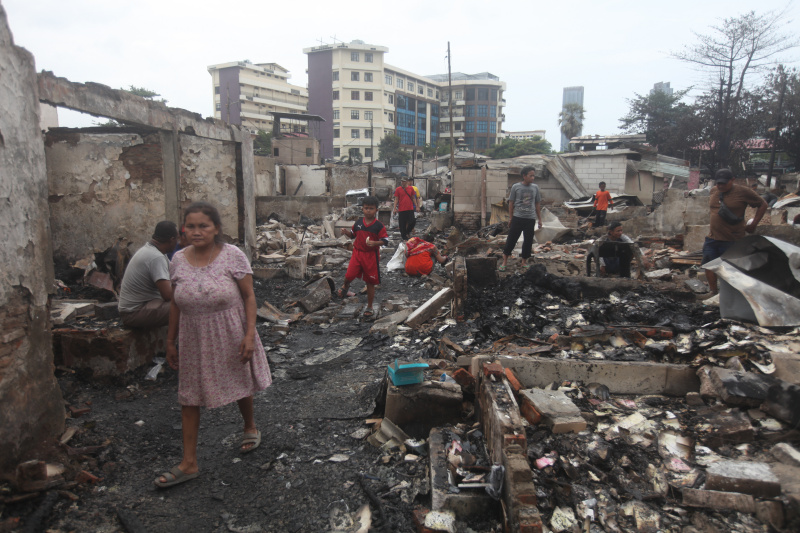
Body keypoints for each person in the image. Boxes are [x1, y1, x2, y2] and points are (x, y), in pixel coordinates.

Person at [155, 202, 272, 488]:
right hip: (193, 337)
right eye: (191, 226)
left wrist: (248, 335)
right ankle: (189, 462)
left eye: (203, 226)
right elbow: (175, 304)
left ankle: (249, 426)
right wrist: (170, 342)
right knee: (189, 395)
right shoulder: (178, 260)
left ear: (216, 228)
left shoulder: (233, 256)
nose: (196, 232)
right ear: (184, 229)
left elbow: (249, 297)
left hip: (230, 330)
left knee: (240, 379)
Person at [703, 168, 768, 294]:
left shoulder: (743, 192)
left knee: (731, 269)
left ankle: (731, 295)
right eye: (718, 183)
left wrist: (754, 223)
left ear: (732, 180)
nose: (720, 186)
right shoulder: (714, 191)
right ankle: (713, 291)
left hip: (732, 239)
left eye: (724, 183)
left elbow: (763, 204)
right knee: (708, 265)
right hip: (712, 237)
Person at [118, 221, 179, 328]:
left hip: (141, 307)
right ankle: (175, 343)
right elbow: (168, 295)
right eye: (177, 239)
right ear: (172, 239)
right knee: (185, 305)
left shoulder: (153, 251)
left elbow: (177, 274)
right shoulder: (155, 257)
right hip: (133, 314)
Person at [338, 196, 389, 317]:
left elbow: (385, 240)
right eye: (366, 208)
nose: (368, 211)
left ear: (376, 209)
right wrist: (346, 232)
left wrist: (375, 243)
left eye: (371, 208)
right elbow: (352, 235)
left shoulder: (379, 226)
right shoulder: (358, 223)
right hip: (357, 253)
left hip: (371, 256)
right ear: (362, 209)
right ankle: (346, 285)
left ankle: (370, 306)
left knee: (370, 282)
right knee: (349, 274)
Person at [500, 166, 542, 271]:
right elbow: (511, 203)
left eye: (534, 176)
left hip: (530, 219)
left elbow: (537, 204)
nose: (533, 178)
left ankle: (524, 262)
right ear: (524, 176)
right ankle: (504, 262)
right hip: (518, 218)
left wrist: (540, 219)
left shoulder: (535, 188)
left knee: (528, 241)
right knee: (511, 240)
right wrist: (511, 218)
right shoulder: (516, 187)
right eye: (530, 175)